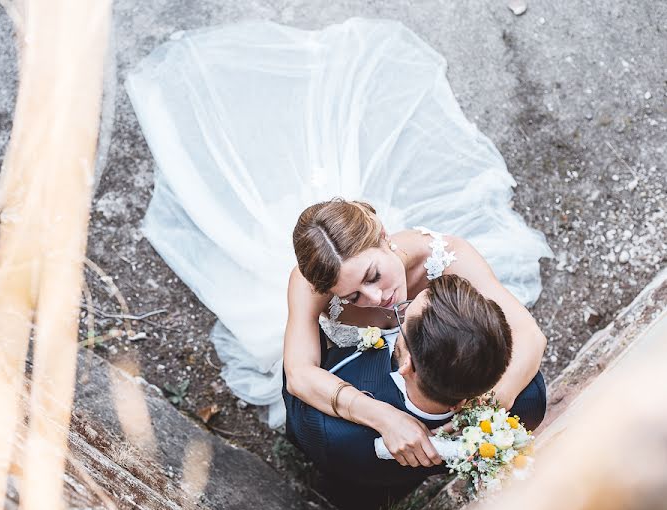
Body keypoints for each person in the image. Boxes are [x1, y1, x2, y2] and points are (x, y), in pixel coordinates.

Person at [126, 18, 552, 428]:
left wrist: (481, 412)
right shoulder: (308, 287)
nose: (375, 297)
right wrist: (382, 416)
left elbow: (529, 337)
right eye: (351, 294)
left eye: (372, 274)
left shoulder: (444, 253)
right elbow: (300, 374)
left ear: (384, 238)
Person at [282, 275, 546, 510]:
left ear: (407, 364)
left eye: (403, 318)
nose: (397, 309)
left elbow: (295, 399)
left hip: (358, 480)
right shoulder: (527, 400)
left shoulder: (330, 429)